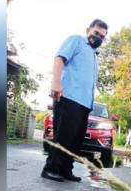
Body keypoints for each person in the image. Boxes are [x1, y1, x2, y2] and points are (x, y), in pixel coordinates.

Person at [41, 19, 108, 182]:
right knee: (63, 136)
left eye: (102, 36)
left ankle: (65, 169)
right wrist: (56, 83)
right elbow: (59, 59)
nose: (98, 37)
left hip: (84, 104)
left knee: (75, 140)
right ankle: (51, 168)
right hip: (69, 97)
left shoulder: (93, 55)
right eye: (96, 33)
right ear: (88, 30)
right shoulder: (77, 41)